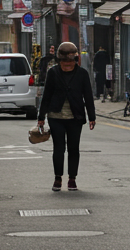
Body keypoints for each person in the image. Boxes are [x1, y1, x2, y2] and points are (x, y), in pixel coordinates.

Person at [36, 41, 96, 192]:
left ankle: (72, 179)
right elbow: (47, 96)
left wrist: (92, 116)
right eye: (64, 63)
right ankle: (57, 178)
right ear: (59, 60)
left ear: (75, 60)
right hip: (55, 116)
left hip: (75, 117)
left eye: (70, 63)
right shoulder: (53, 73)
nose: (67, 66)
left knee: (74, 149)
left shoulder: (82, 74)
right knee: (59, 148)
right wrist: (41, 117)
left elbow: (88, 96)